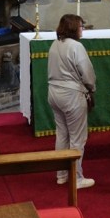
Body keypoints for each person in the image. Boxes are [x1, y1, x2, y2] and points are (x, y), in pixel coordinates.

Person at [47, 14, 97, 189]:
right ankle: (76, 178)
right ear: (74, 28)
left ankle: (61, 175)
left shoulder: (55, 44)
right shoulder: (76, 46)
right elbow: (87, 73)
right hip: (71, 95)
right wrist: (91, 88)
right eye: (81, 26)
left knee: (62, 134)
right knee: (77, 137)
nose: (82, 29)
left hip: (54, 92)